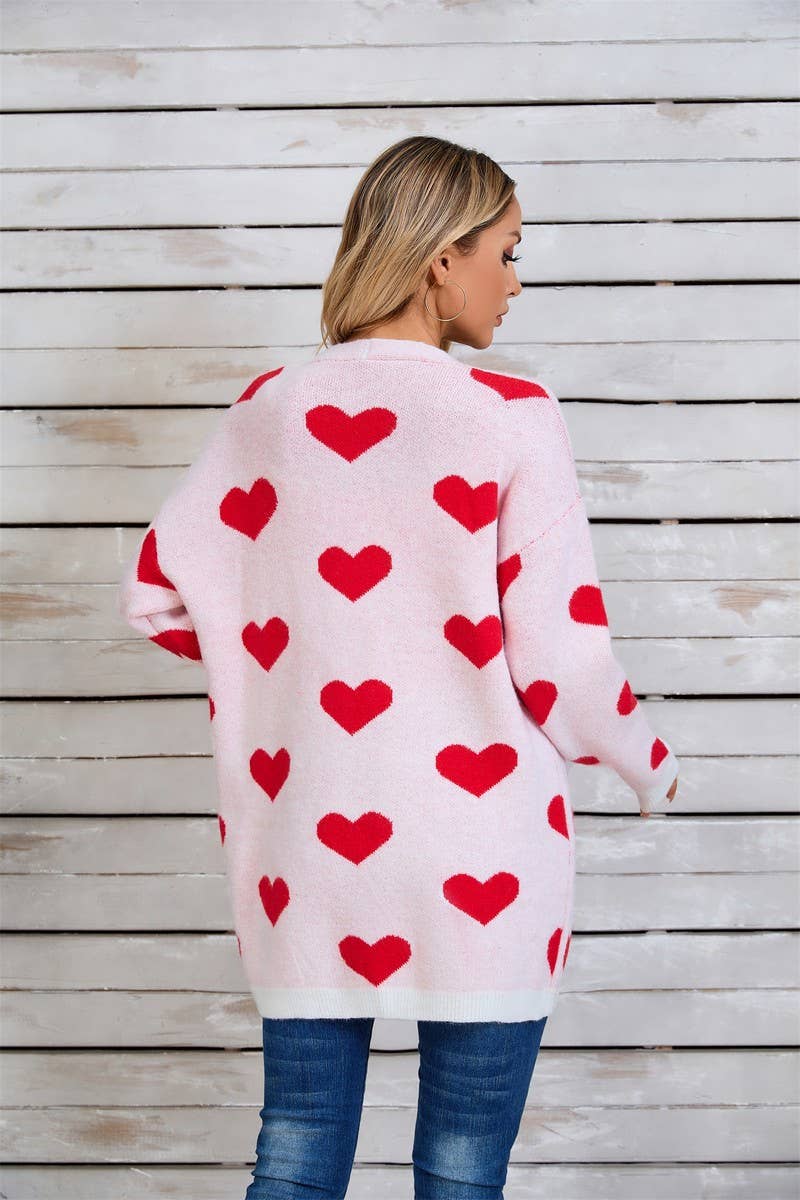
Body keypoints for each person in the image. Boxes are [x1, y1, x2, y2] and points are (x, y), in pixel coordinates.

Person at [118, 135, 679, 1199]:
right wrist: (649, 764)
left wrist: (273, 656)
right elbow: (560, 658)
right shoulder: (510, 415)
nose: (513, 283)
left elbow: (154, 593)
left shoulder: (266, 410)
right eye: (506, 254)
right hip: (483, 852)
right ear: (441, 259)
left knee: (295, 1151)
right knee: (462, 1172)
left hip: (305, 853)